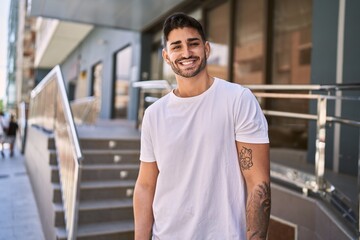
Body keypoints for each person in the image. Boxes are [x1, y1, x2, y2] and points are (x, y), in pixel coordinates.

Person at [133, 12, 270, 240]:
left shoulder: (238, 99)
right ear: (166, 57)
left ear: (206, 49)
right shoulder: (153, 114)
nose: (186, 53)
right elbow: (146, 185)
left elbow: (258, 183)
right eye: (177, 47)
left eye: (193, 44)